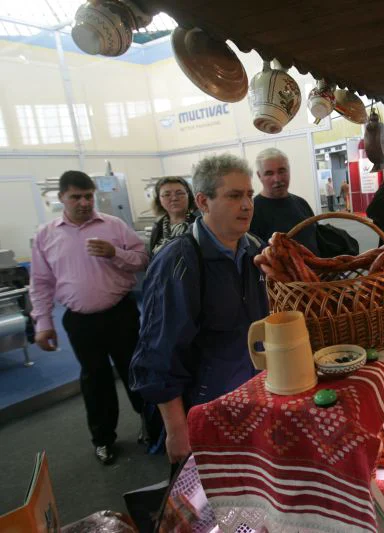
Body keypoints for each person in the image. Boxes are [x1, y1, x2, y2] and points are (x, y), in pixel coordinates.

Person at [130, 154, 268, 466]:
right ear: (203, 202)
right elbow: (157, 353)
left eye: (249, 195)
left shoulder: (254, 250)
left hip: (250, 397)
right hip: (203, 410)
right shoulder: (178, 262)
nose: (247, 205)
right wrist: (177, 428)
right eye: (234, 196)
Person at [30, 170, 148, 465]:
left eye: (88, 196)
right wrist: (43, 323)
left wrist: (115, 253)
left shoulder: (114, 225)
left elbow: (142, 260)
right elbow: (41, 283)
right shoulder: (46, 235)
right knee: (95, 382)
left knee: (137, 372)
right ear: (60, 198)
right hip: (80, 321)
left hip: (121, 314)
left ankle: (152, 426)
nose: (84, 202)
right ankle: (104, 440)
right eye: (76, 197)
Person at [249, 148, 319, 255]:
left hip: (315, 271)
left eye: (282, 171)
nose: (277, 179)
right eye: (269, 173)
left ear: (289, 170)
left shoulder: (301, 203)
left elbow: (317, 239)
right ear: (259, 176)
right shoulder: (252, 211)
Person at [148, 176, 198, 255]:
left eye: (179, 193)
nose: (174, 198)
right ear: (159, 200)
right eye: (167, 195)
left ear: (188, 196)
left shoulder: (198, 224)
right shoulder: (158, 226)